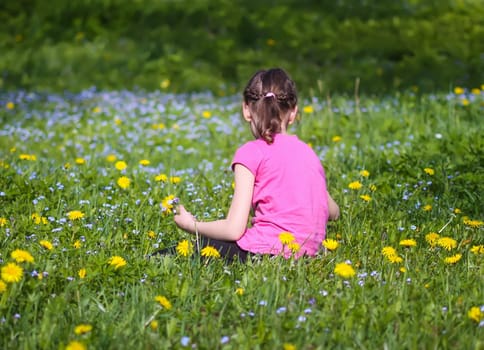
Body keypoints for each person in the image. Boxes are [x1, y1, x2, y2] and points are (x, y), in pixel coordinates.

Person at [173, 68, 339, 262]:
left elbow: (233, 230)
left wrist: (192, 225)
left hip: (264, 252)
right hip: (306, 256)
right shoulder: (309, 154)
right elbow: (334, 212)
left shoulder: (251, 153)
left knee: (178, 253)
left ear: (246, 109)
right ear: (293, 112)